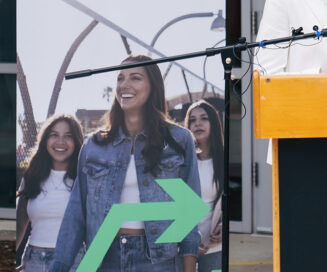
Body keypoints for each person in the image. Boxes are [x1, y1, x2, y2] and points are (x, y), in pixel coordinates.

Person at [50, 55, 201, 272]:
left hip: (159, 261)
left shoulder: (179, 140)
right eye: (120, 78)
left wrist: (189, 268)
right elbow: (75, 216)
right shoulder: (93, 146)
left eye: (135, 78)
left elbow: (189, 214)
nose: (124, 85)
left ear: (152, 86)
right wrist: (60, 266)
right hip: (102, 256)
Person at [17, 114, 85, 271]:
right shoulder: (31, 177)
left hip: (73, 261)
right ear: (45, 140)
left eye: (68, 136)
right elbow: (19, 225)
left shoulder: (84, 178)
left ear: (76, 142)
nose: (60, 141)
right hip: (33, 260)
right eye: (54, 135)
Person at [184, 100, 224, 272]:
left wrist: (225, 226)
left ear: (213, 123)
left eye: (203, 118)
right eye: (192, 120)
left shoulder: (224, 161)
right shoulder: (180, 162)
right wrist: (188, 241)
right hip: (185, 248)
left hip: (215, 248)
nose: (197, 123)